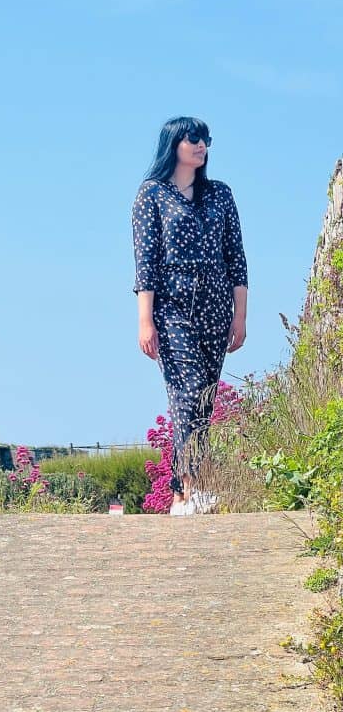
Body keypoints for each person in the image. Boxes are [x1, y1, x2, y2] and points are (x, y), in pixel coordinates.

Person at [131, 116, 248, 516]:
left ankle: (184, 491)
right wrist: (145, 320)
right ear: (173, 144)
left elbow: (237, 259)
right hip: (172, 307)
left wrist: (240, 317)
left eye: (206, 139)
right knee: (188, 389)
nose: (202, 145)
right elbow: (145, 263)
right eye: (193, 138)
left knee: (204, 399)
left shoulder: (220, 195)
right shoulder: (152, 195)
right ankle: (191, 486)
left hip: (217, 307)